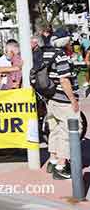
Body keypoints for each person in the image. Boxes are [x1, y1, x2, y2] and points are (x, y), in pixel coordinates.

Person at [43, 29, 80, 180]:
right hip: (63, 100)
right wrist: (73, 99)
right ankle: (61, 165)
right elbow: (64, 80)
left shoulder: (47, 53)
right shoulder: (61, 56)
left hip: (51, 98)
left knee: (55, 129)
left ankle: (52, 160)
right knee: (69, 130)